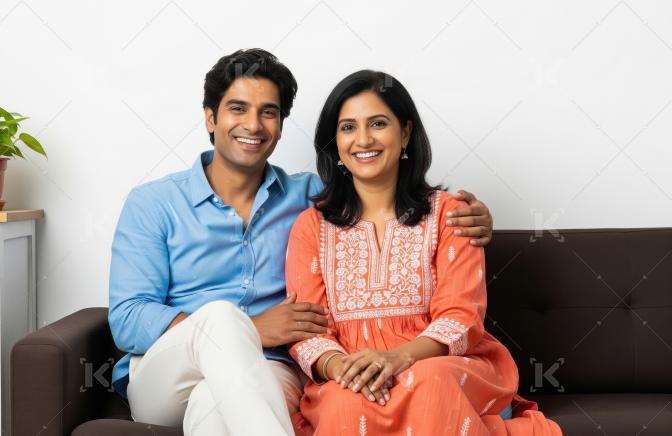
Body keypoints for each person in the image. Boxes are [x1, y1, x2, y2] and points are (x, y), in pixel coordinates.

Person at [109, 49, 495, 436]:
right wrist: (250, 329)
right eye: (238, 109)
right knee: (222, 318)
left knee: (214, 404)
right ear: (211, 117)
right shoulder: (154, 203)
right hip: (169, 375)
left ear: (280, 124)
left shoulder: (310, 200)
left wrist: (474, 215)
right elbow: (126, 319)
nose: (253, 125)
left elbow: (376, 185)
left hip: (267, 370)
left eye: (269, 112)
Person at [286, 70, 562, 435]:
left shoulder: (451, 214)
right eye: (348, 127)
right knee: (344, 401)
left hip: (439, 363)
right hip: (348, 369)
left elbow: (461, 316)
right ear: (334, 142)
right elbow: (307, 327)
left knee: (429, 384)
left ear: (405, 134)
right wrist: (341, 368)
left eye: (378, 123)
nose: (363, 139)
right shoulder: (311, 225)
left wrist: (398, 357)